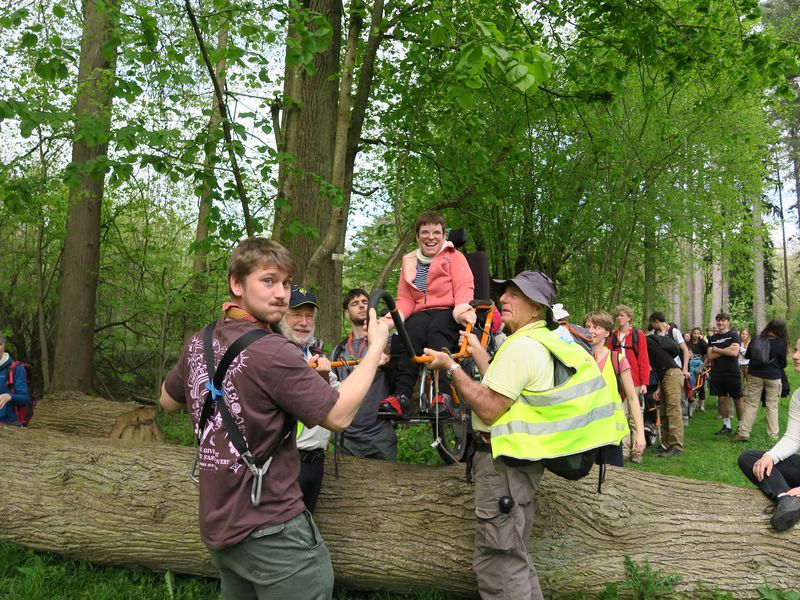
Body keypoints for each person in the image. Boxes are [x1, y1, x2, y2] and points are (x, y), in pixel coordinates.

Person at [159, 238, 392, 600]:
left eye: (285, 283)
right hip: (273, 533)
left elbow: (167, 401)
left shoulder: (200, 341)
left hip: (220, 527)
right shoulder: (273, 351)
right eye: (268, 281)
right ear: (237, 284)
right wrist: (375, 346)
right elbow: (340, 415)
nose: (282, 294)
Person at [424, 271, 624, 599]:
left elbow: (489, 408)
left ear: (536, 307)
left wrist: (450, 368)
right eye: (506, 292)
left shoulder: (520, 347)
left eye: (515, 294)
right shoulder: (546, 339)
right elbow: (507, 389)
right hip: (522, 464)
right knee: (514, 555)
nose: (503, 298)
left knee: (498, 562)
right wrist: (477, 354)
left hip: (503, 468)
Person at [379, 211, 476, 418]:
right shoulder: (409, 261)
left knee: (437, 330)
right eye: (425, 232)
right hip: (420, 312)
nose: (430, 237)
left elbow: (464, 288)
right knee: (409, 333)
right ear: (417, 237)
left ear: (443, 236)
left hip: (447, 311)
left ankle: (443, 395)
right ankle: (402, 396)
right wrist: (392, 320)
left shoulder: (454, 257)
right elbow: (405, 299)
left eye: (436, 232)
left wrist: (462, 310)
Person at [278, 285, 337, 513]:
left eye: (309, 316)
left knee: (307, 523)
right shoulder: (275, 352)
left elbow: (339, 403)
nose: (303, 322)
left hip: (315, 463)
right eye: (296, 314)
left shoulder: (316, 356)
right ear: (282, 315)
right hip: (284, 461)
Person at [738, 337, 800, 531]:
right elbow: (794, 437)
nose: (795, 356)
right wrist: (770, 457)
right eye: (796, 350)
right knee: (751, 458)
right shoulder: (799, 396)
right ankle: (787, 500)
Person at [331, 288, 397, 461]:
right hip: (346, 436)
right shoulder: (339, 350)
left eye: (365, 302)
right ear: (347, 313)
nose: (361, 306)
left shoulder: (386, 341)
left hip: (379, 435)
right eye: (355, 303)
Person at [585, 311, 646, 463]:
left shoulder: (617, 360)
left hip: (610, 434)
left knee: (611, 480)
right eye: (587, 327)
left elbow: (632, 398)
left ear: (607, 332)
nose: (591, 331)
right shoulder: (577, 358)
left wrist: (640, 434)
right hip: (584, 433)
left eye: (596, 327)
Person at [734, 319, 789, 443]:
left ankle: (744, 432)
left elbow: (747, 356)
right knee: (772, 405)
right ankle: (773, 435)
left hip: (755, 375)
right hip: (773, 376)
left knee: (751, 404)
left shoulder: (756, 339)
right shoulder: (781, 343)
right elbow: (784, 364)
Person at [645, 326, 685, 457]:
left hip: (673, 374)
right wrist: (659, 387)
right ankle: (666, 444)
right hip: (666, 376)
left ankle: (676, 446)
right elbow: (660, 366)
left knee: (673, 410)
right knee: (663, 411)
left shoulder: (646, 343)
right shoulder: (648, 344)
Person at [648, 313, 690, 425]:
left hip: (675, 368)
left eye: (652, 323)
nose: (651, 326)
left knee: (675, 401)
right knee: (664, 403)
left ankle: (682, 420)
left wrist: (685, 369)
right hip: (661, 370)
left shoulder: (673, 331)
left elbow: (685, 350)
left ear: (656, 321)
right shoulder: (654, 333)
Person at [705, 312, 742, 436]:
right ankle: (727, 426)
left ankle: (741, 426)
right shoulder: (712, 338)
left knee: (737, 399)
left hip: (732, 371)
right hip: (717, 372)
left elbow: (735, 353)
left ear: (728, 322)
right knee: (721, 400)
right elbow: (710, 355)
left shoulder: (733, 335)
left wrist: (718, 349)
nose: (720, 323)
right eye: (718, 321)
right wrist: (727, 349)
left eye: (723, 320)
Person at [609, 304, 651, 412]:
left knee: (635, 414)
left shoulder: (638, 335)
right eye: (617, 316)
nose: (619, 318)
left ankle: (638, 430)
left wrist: (644, 383)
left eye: (622, 315)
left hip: (635, 380)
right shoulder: (613, 336)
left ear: (629, 318)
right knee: (621, 413)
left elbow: (644, 360)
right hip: (618, 381)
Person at [0, 334, 30, 426]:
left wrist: (9, 396)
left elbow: (25, 399)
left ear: (4, 346)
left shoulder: (17, 369)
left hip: (10, 425)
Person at [687, 327, 708, 412]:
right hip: (691, 364)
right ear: (692, 334)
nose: (696, 335)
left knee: (701, 384)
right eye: (694, 333)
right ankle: (692, 402)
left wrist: (702, 339)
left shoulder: (702, 343)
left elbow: (707, 352)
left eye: (697, 333)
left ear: (700, 334)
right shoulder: (688, 343)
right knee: (692, 383)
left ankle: (702, 403)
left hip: (700, 363)